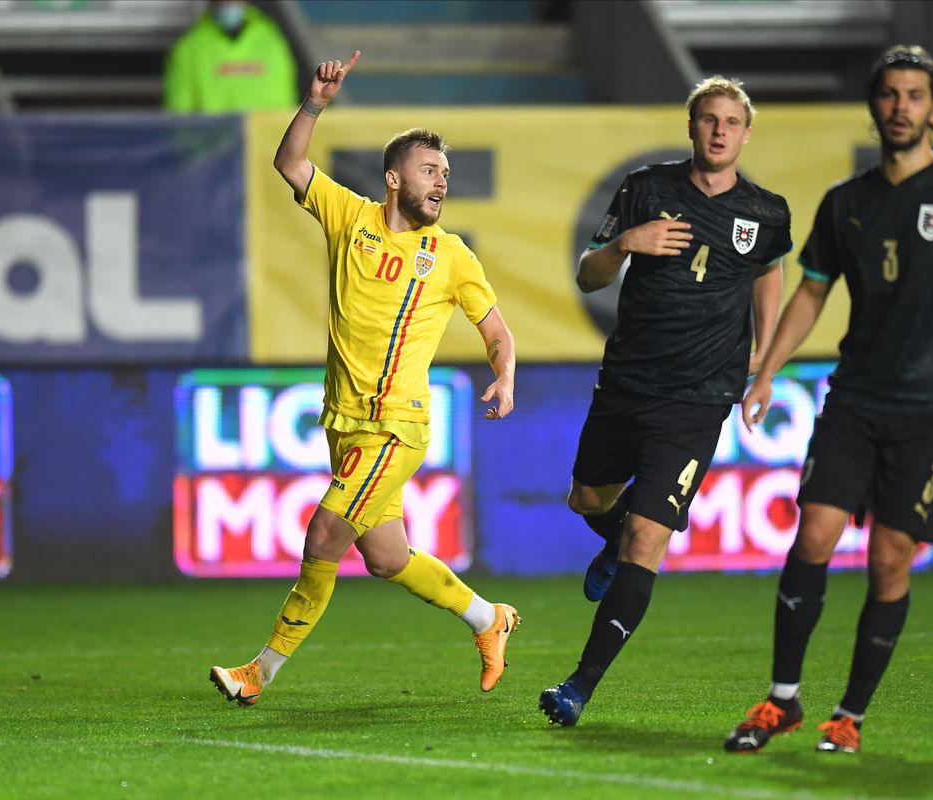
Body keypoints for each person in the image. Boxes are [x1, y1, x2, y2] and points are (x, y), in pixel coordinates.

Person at [723, 45, 933, 755]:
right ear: (875, 106)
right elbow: (812, 292)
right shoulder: (847, 203)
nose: (901, 106)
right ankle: (782, 701)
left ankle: (851, 716)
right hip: (855, 401)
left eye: (915, 95)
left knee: (891, 558)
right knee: (813, 535)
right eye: (891, 94)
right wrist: (768, 370)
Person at [210, 51, 520, 706]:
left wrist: (505, 376)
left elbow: (496, 331)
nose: (441, 182)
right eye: (429, 170)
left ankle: (258, 673)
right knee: (386, 558)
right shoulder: (351, 220)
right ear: (393, 177)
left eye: (446, 174)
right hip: (342, 423)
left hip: (395, 427)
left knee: (324, 534)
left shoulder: (452, 256)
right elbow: (289, 165)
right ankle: (487, 617)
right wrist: (316, 102)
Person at [538, 77, 791, 726]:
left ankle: (578, 687)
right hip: (626, 384)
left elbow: (769, 274)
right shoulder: (645, 189)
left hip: (698, 400)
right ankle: (612, 533)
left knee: (648, 540)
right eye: (708, 119)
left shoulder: (766, 212)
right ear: (692, 126)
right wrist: (625, 244)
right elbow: (587, 273)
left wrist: (763, 363)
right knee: (587, 499)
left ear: (745, 132)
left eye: (731, 122)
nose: (718, 131)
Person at [164, 0, 298, 113]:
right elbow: (178, 115)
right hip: (214, 142)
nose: (229, 4)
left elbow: (287, 101)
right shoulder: (188, 49)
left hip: (267, 141)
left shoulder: (272, 40)